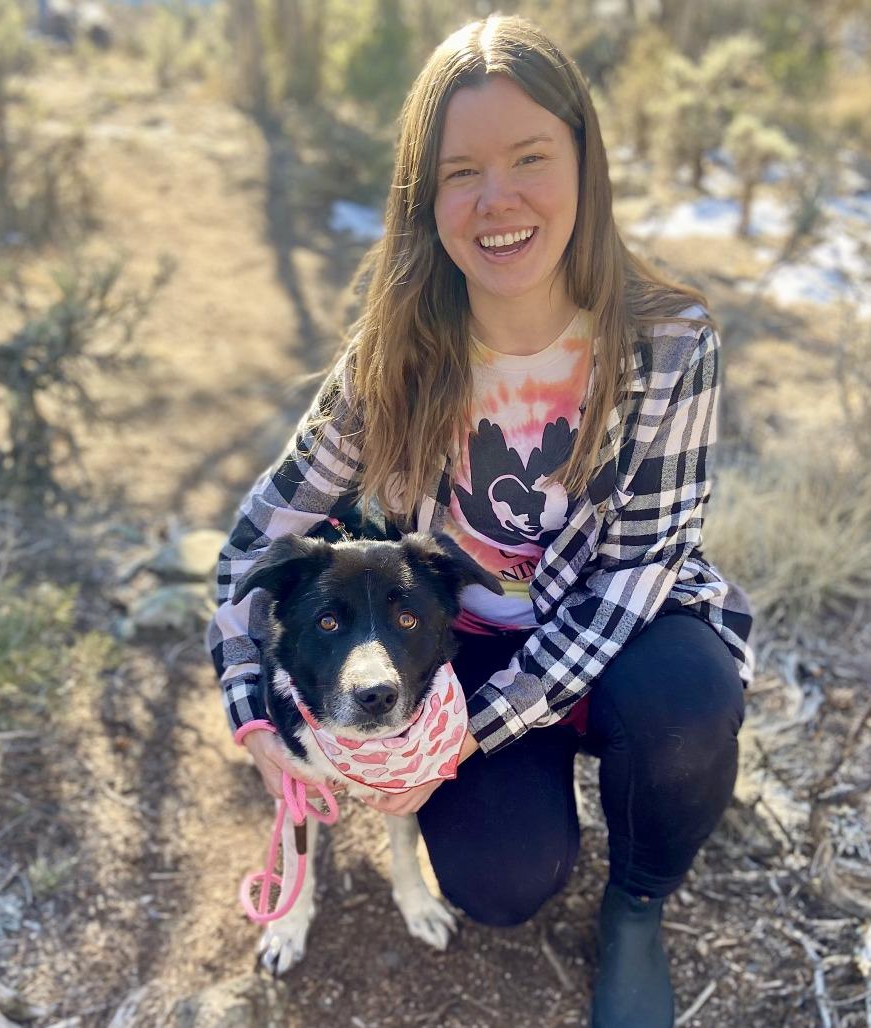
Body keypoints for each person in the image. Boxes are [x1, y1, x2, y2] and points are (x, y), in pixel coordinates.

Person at [207, 14, 754, 1028]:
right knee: (500, 882)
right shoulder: (396, 351)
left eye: (529, 157)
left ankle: (635, 905)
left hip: (612, 631)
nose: (496, 198)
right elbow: (252, 541)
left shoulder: (669, 341)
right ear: (427, 198)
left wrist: (449, 740)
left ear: (583, 166)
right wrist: (250, 702)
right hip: (448, 650)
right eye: (461, 170)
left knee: (686, 701)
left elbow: (635, 573)